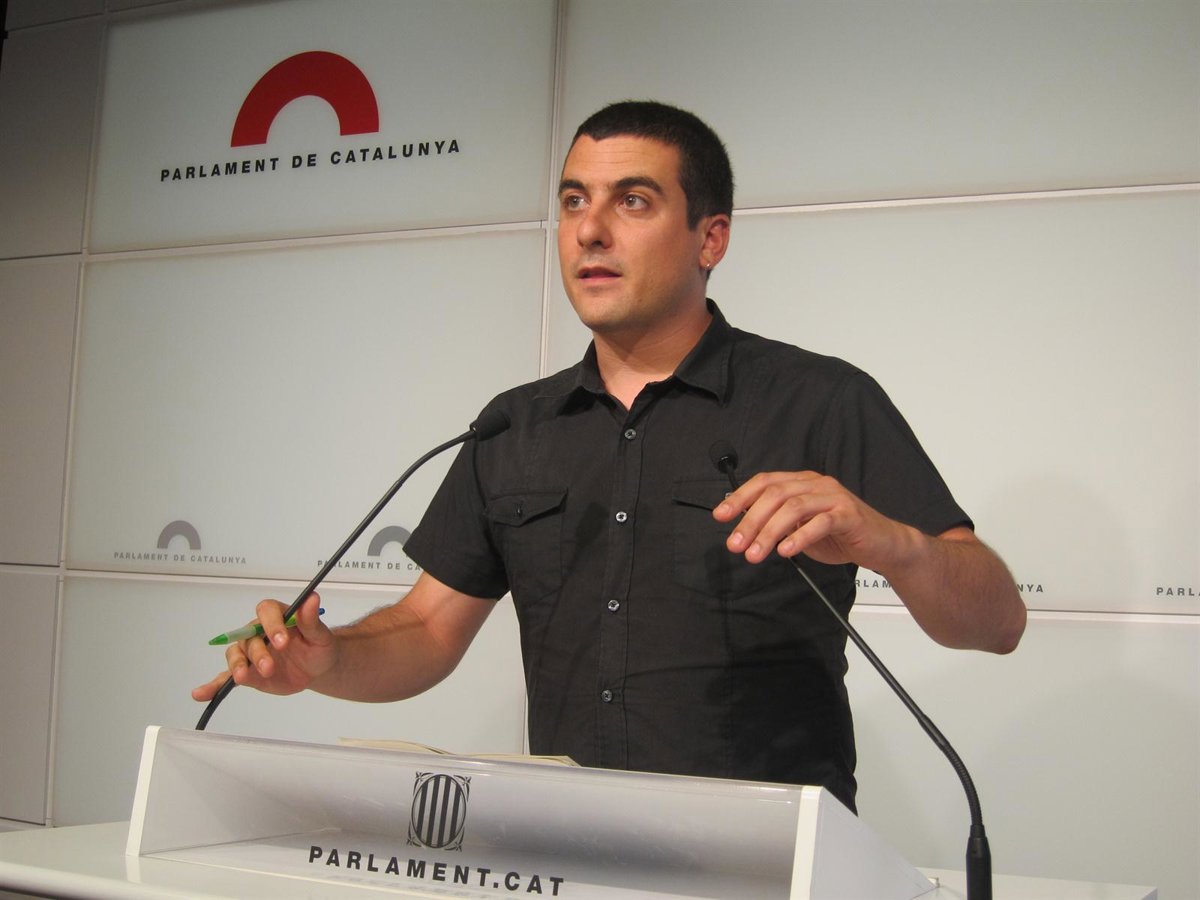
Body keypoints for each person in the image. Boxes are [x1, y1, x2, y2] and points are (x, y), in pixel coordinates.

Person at [194, 100, 1025, 811]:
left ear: (710, 238)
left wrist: (894, 543)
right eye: (573, 201)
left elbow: (997, 624)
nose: (589, 230)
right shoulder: (512, 427)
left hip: (768, 863)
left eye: (632, 201)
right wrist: (328, 659)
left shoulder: (820, 400)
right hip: (569, 852)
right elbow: (425, 630)